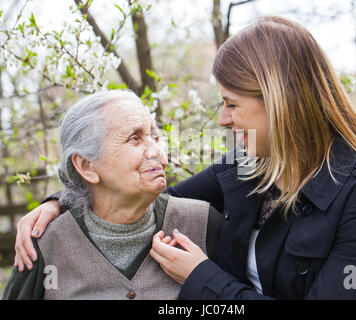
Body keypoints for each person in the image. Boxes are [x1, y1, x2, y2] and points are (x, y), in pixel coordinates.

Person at [12, 16, 356, 299]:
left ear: (280, 103)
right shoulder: (249, 166)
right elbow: (144, 196)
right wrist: (60, 202)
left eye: (232, 104)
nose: (222, 118)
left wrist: (202, 277)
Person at [3, 91, 221, 300]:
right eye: (134, 139)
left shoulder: (204, 223)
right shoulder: (44, 243)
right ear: (87, 166)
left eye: (154, 137)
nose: (156, 151)